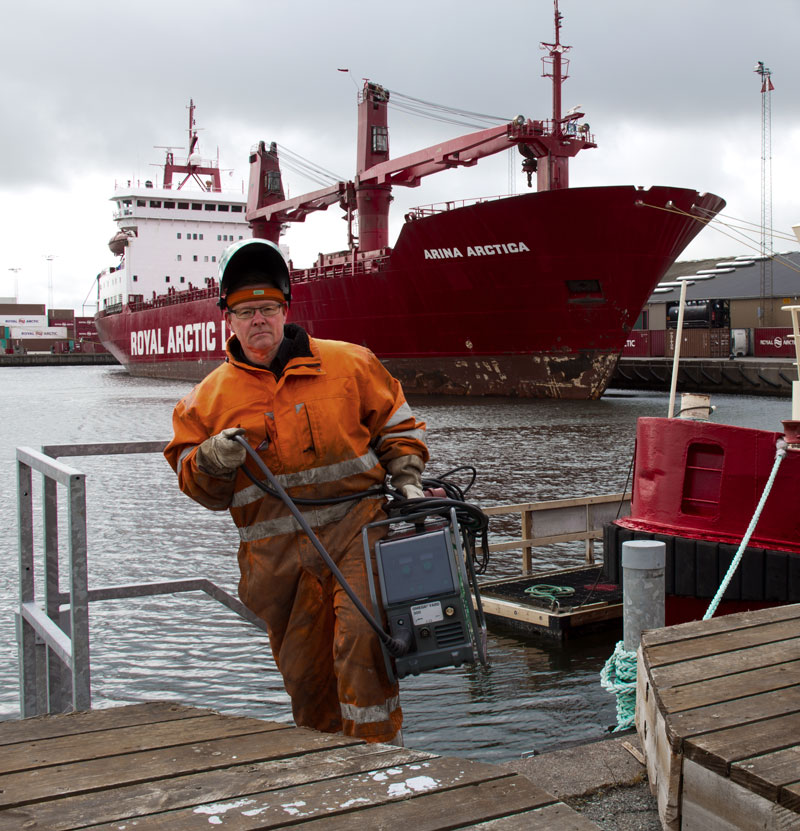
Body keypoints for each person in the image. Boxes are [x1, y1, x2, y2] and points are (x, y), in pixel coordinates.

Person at [164, 238, 428, 744]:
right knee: (306, 682)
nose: (257, 319)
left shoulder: (350, 365)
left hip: (358, 535)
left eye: (267, 308)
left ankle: (375, 768)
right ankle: (324, 773)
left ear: (284, 310)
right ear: (229, 319)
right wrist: (211, 461)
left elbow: (398, 424)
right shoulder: (204, 402)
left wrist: (409, 479)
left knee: (364, 649)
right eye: (246, 311)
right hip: (277, 564)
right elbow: (197, 485)